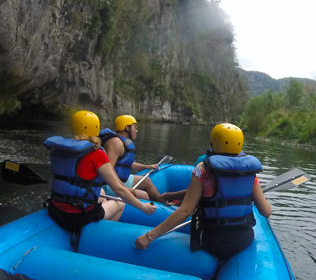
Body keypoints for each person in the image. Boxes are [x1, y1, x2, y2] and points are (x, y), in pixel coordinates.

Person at [135, 123, 271, 260]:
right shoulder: (249, 172)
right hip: (244, 240)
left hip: (213, 242)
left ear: (213, 143)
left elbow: (185, 211)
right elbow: (266, 211)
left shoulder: (203, 169)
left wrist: (149, 236)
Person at [45, 110, 156, 251]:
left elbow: (51, 184)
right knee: (119, 202)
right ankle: (98, 236)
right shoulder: (96, 153)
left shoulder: (59, 150)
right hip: (77, 217)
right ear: (95, 128)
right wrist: (143, 207)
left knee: (102, 192)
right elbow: (119, 189)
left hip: (55, 211)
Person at [100, 115, 165, 202]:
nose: (137, 130)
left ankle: (164, 203)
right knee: (144, 196)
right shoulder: (115, 143)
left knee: (147, 181)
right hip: (108, 185)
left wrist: (146, 166)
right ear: (127, 127)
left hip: (119, 181)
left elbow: (125, 164)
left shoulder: (122, 142)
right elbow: (108, 171)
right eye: (135, 127)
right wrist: (125, 189)